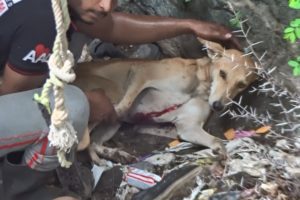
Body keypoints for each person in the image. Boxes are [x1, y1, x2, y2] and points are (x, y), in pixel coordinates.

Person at [0, 0, 241, 199]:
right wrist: (88, 102)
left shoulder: (62, 6)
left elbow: (111, 26)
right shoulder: (42, 17)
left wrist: (189, 25)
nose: (106, 6)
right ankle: (21, 187)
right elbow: (12, 93)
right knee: (73, 106)